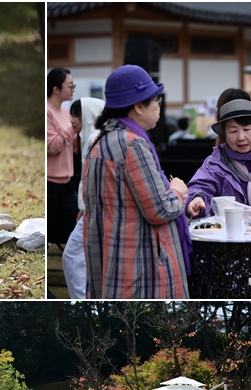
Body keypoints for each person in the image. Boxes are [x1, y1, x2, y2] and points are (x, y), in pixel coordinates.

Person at [83, 64, 191, 299]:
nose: (159, 107)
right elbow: (159, 209)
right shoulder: (133, 144)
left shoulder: (102, 141)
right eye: (156, 101)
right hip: (141, 261)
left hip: (112, 254)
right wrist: (178, 191)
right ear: (139, 106)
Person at [46, 67, 77, 245]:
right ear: (56, 89)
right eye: (70, 86)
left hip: (67, 181)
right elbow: (52, 146)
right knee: (51, 232)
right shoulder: (48, 111)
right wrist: (72, 129)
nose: (73, 89)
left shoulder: (66, 112)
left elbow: (68, 144)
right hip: (51, 183)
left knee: (73, 229)